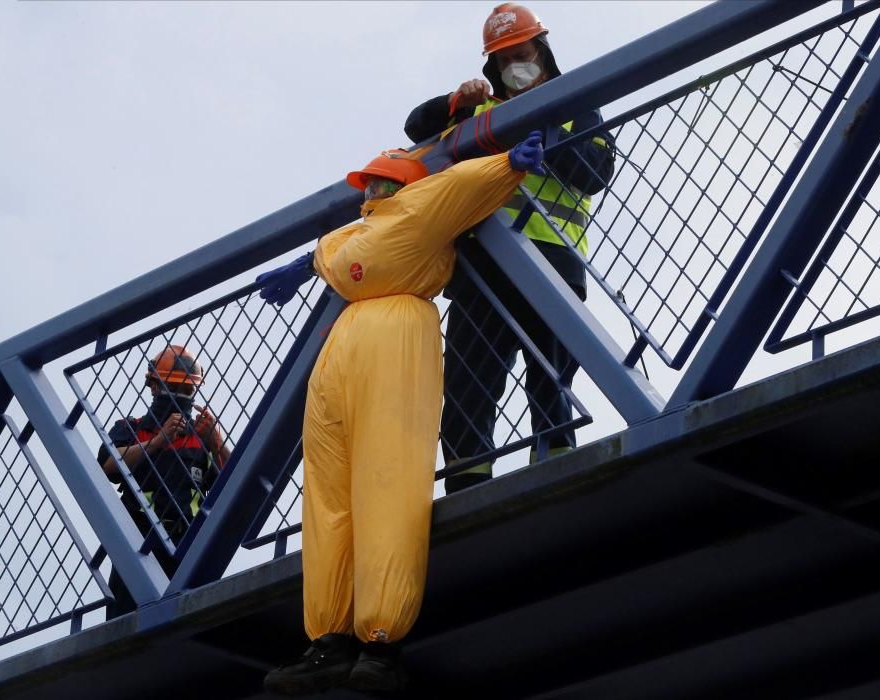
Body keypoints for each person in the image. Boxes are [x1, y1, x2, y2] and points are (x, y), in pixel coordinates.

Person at [257, 134, 545, 694]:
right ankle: (329, 639)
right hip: (339, 358)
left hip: (395, 344)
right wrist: (295, 270)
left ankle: (381, 642)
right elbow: (327, 247)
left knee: (386, 483)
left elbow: (459, 188)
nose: (377, 188)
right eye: (373, 182)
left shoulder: (417, 211)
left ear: (404, 184)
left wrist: (506, 164)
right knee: (328, 499)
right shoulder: (362, 228)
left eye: (384, 180)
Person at [404, 3, 616, 494]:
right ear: (492, 67)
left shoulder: (573, 103)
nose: (515, 65)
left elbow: (596, 175)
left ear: (541, 51)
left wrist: (541, 133)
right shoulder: (480, 110)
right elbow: (417, 125)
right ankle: (467, 482)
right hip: (483, 262)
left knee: (553, 376)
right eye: (504, 60)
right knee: (469, 383)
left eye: (522, 54)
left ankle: (558, 467)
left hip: (554, 258)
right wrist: (458, 99)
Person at [97, 345, 230, 619]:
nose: (180, 397)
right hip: (137, 544)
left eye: (187, 391)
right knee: (124, 628)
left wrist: (216, 443)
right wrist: (157, 442)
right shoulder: (132, 428)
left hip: (188, 544)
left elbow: (235, 482)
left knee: (193, 622)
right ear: (154, 386)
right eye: (173, 387)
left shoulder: (202, 436)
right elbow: (108, 466)